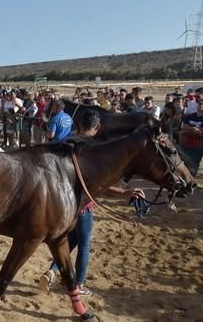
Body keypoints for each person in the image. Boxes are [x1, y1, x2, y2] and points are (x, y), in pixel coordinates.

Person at [40, 108, 144, 296]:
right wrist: (123, 192)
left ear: (78, 125)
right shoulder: (93, 149)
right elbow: (97, 183)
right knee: (84, 244)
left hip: (64, 203)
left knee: (69, 240)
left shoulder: (66, 141)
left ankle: (52, 271)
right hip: (83, 205)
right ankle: (79, 284)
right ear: (97, 127)